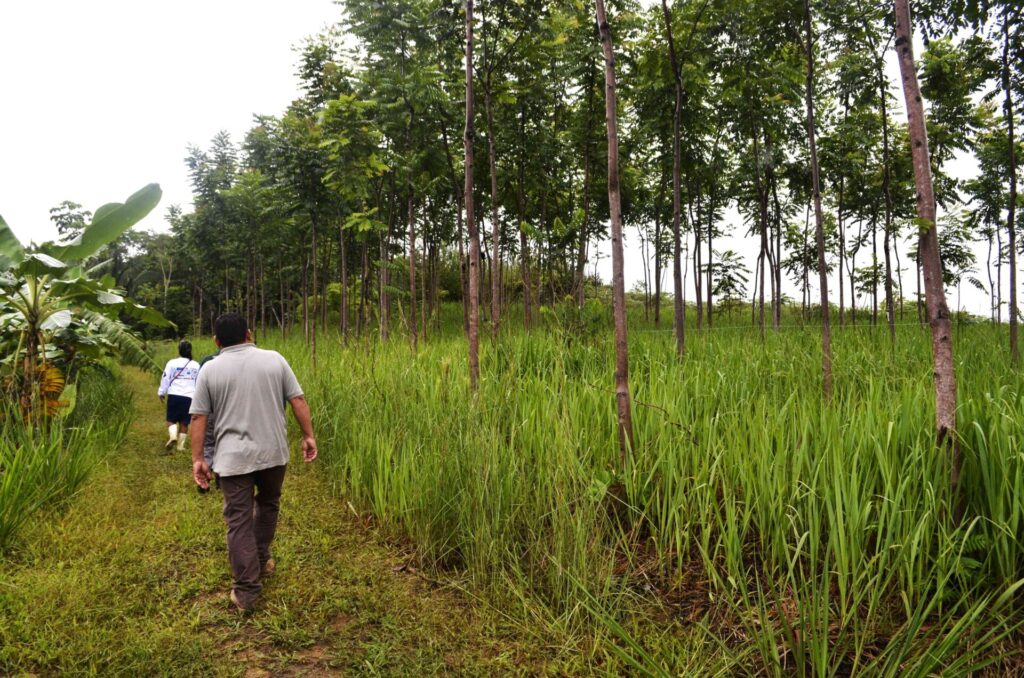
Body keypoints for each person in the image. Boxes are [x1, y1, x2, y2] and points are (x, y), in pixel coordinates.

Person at [188, 313, 317, 612]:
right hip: (273, 454)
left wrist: (198, 459)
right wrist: (308, 436)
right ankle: (260, 558)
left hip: (232, 459)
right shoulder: (275, 359)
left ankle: (246, 590)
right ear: (249, 333)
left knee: (238, 519)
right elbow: (298, 400)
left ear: (216, 341)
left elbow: (198, 417)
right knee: (269, 503)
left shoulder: (210, 369)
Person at [157, 340, 200, 452]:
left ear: (179, 350)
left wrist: (161, 392)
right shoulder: (196, 365)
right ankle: (180, 447)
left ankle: (172, 437)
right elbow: (199, 382)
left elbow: (165, 378)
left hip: (174, 395)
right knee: (184, 422)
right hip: (189, 397)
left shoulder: (172, 363)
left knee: (171, 419)